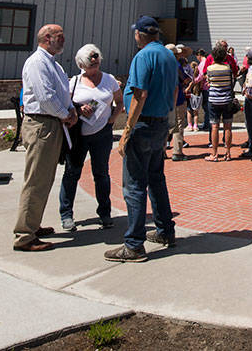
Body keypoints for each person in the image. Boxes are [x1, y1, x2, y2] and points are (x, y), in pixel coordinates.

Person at [106, 16, 177, 262]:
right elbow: (175, 90)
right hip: (160, 124)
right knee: (156, 179)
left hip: (143, 125)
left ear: (138, 34)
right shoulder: (169, 55)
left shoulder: (143, 56)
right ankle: (165, 230)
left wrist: (126, 130)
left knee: (134, 185)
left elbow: (140, 94)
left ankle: (134, 245)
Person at [13, 24, 79, 252]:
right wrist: (65, 114)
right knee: (36, 179)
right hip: (42, 124)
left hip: (53, 124)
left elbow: (62, 93)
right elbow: (45, 97)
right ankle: (24, 236)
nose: (63, 40)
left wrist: (70, 111)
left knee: (44, 178)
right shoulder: (37, 63)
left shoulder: (54, 65)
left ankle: (32, 223)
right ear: (47, 38)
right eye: (59, 37)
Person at [58, 44, 122, 231]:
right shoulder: (75, 82)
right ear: (81, 64)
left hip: (102, 134)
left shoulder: (109, 80)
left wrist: (113, 118)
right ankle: (66, 214)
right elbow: (65, 104)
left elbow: (119, 102)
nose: (94, 66)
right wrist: (78, 109)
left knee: (101, 174)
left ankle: (105, 213)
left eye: (97, 61)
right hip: (79, 134)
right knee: (72, 172)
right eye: (90, 63)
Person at [200, 41, 238, 161]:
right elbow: (231, 79)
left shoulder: (210, 68)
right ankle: (228, 153)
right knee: (228, 127)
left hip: (214, 99)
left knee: (215, 127)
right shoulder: (228, 68)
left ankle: (215, 154)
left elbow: (209, 81)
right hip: (227, 100)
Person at [165, 43, 193, 162]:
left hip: (164, 99)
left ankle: (161, 151)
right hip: (178, 99)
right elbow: (185, 79)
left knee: (164, 126)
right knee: (178, 125)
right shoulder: (176, 65)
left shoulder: (161, 64)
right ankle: (177, 151)